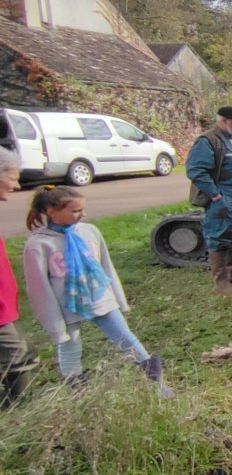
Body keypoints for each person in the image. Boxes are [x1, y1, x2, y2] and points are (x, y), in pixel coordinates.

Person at [23, 186, 172, 398]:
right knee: (70, 347)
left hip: (100, 299)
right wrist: (55, 326)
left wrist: (119, 300)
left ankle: (157, 384)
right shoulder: (38, 245)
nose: (83, 214)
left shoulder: (89, 231)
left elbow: (106, 266)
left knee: (126, 339)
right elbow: (39, 290)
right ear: (51, 211)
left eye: (83, 209)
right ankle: (78, 393)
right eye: (75, 211)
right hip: (66, 307)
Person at [186, 107, 232, 295]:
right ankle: (221, 283)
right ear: (223, 121)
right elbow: (196, 171)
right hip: (221, 198)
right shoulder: (208, 141)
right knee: (219, 236)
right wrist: (215, 196)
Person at [0, 149, 38, 407]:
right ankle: (17, 412)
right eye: (12, 178)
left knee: (25, 353)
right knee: (19, 356)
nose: (17, 185)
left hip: (5, 309)